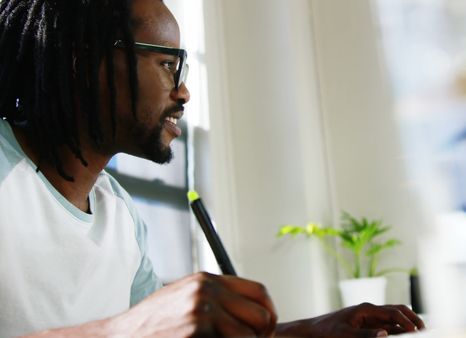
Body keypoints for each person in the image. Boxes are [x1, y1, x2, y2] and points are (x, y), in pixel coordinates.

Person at [0, 0, 425, 337]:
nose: (183, 92)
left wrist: (308, 331)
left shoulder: (120, 214)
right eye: (168, 65)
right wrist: (132, 329)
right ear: (81, 62)